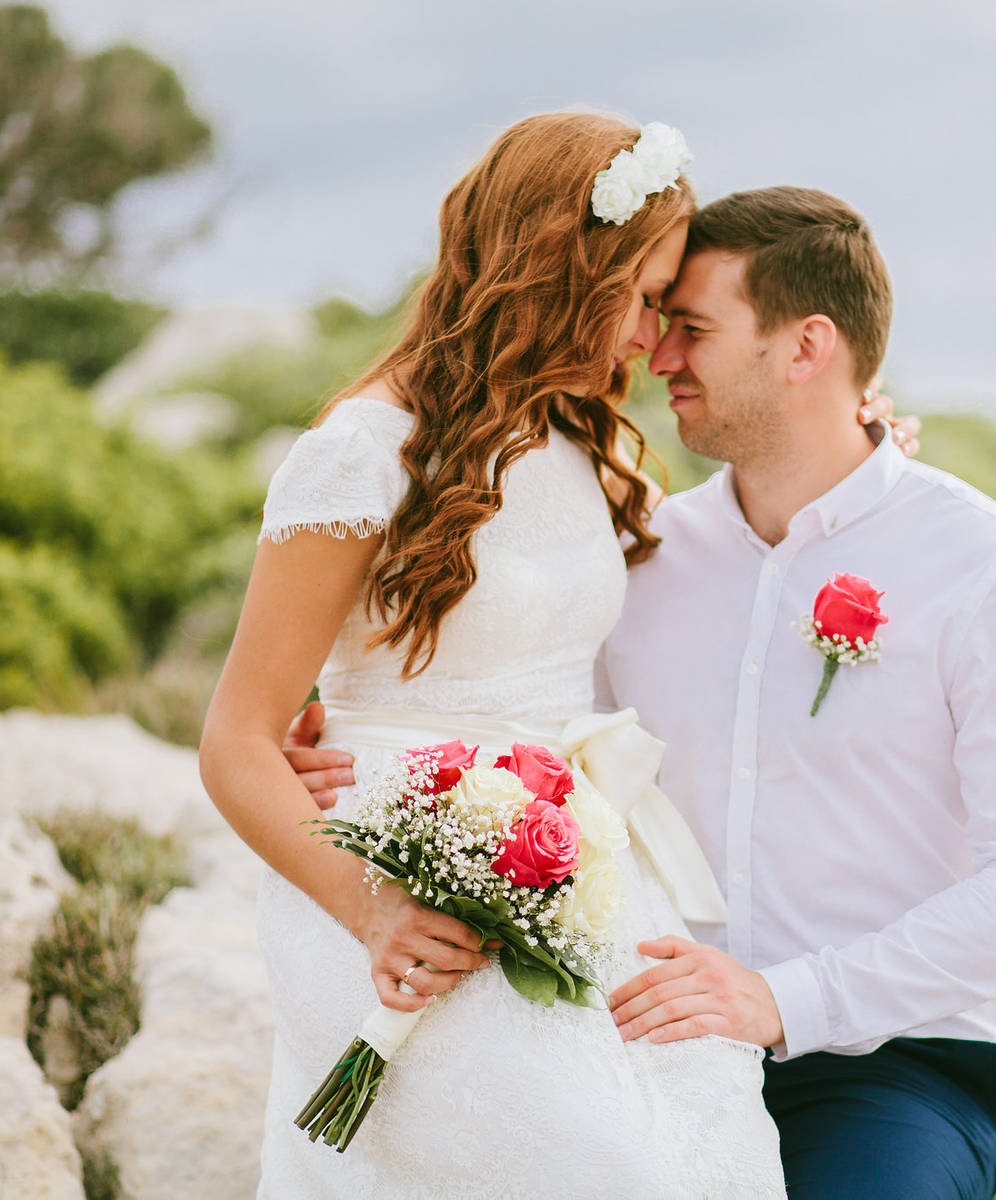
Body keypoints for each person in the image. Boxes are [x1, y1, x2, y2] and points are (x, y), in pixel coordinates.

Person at [292, 185, 996, 1199]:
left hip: (885, 1070)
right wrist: (346, 751)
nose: (659, 357)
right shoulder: (640, 557)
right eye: (662, 324)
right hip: (633, 1038)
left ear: (805, 348)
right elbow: (525, 735)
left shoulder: (989, 571)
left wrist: (784, 1000)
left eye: (694, 330)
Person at [200, 113, 832, 1198]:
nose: (652, 341)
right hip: (400, 879)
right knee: (592, 1163)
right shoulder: (358, 454)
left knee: (702, 1146)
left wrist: (856, 441)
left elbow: (729, 539)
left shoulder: (575, 438)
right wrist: (375, 909)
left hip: (576, 861)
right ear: (559, 268)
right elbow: (235, 741)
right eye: (640, 299)